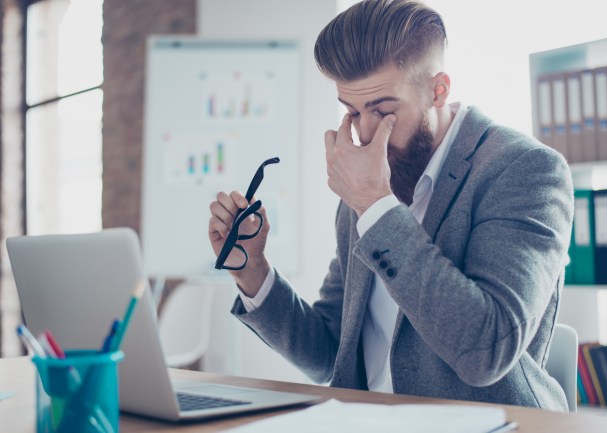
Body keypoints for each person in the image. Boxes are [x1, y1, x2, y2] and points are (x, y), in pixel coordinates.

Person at [208, 0, 573, 411]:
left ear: (437, 91)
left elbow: (485, 352)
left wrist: (375, 206)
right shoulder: (366, 187)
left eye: (383, 111)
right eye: (351, 111)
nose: (365, 134)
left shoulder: (524, 169)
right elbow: (330, 353)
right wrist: (252, 270)